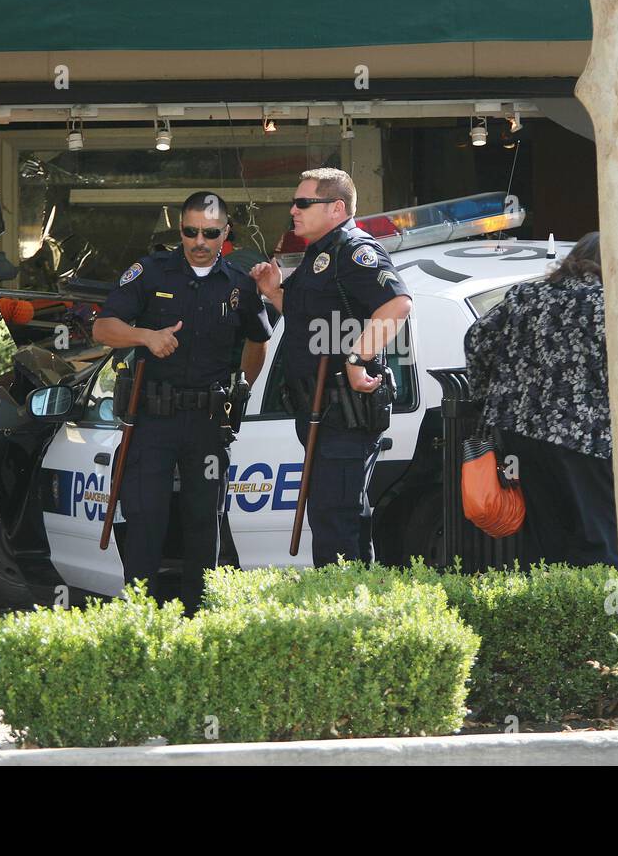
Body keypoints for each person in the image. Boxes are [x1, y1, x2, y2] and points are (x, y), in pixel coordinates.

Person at [92, 191, 271, 613]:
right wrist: (146, 336)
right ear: (181, 230)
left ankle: (198, 618)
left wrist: (242, 389)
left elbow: (258, 340)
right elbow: (103, 327)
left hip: (208, 423)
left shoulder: (239, 285)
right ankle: (140, 618)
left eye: (210, 233)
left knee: (203, 522)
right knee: (144, 520)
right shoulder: (151, 271)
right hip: (152, 419)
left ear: (225, 233)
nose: (199, 241)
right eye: (191, 232)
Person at [251, 168, 412, 566]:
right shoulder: (320, 254)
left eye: (304, 202)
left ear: (337, 207)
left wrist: (359, 358)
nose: (294, 210)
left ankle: (342, 613)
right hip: (319, 411)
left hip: (345, 411)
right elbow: (309, 320)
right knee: (338, 516)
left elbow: (398, 305)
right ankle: (353, 606)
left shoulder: (355, 250)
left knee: (335, 522)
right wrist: (274, 294)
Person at [463, 232, 618, 568]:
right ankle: (598, 613)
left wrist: (485, 395)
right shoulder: (608, 303)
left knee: (545, 537)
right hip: (585, 437)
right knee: (597, 535)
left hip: (520, 433)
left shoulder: (527, 293)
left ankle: (550, 606)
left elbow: (477, 339)